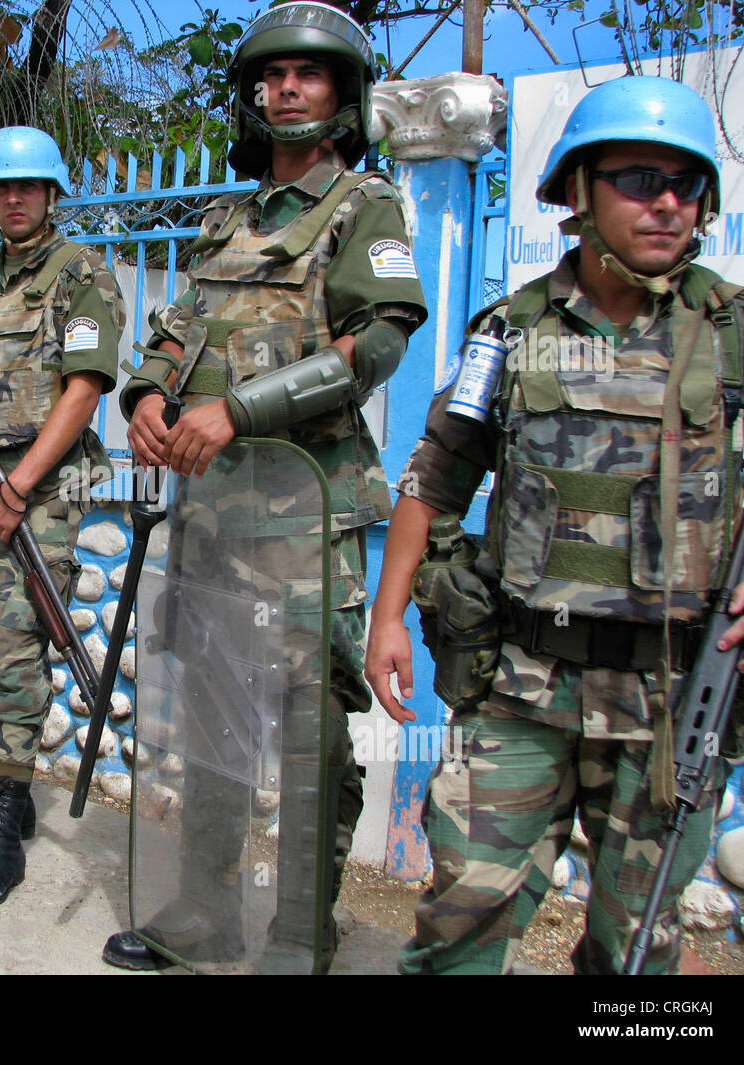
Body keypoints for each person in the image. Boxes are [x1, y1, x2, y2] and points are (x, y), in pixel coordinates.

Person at [364, 75, 744, 975]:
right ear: (579, 192)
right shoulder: (508, 331)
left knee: (636, 952)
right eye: (638, 178)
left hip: (672, 697)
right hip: (520, 685)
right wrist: (388, 620)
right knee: (460, 919)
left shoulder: (736, 330)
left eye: (687, 184)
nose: (667, 203)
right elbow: (434, 476)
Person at [103, 0, 426, 973]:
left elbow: (375, 345)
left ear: (341, 94)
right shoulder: (223, 219)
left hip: (304, 521)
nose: (285, 86)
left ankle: (299, 930)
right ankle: (205, 910)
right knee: (211, 727)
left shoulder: (364, 206)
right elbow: (173, 332)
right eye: (271, 73)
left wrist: (238, 412)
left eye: (308, 73)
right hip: (209, 522)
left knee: (307, 734)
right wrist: (146, 398)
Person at [0, 126, 124, 911]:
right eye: (1, 188)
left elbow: (83, 389)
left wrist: (20, 485)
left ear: (51, 193)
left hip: (40, 491)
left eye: (28, 187)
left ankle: (6, 822)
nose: (13, 198)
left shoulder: (82, 276)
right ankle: (7, 787)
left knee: (14, 647)